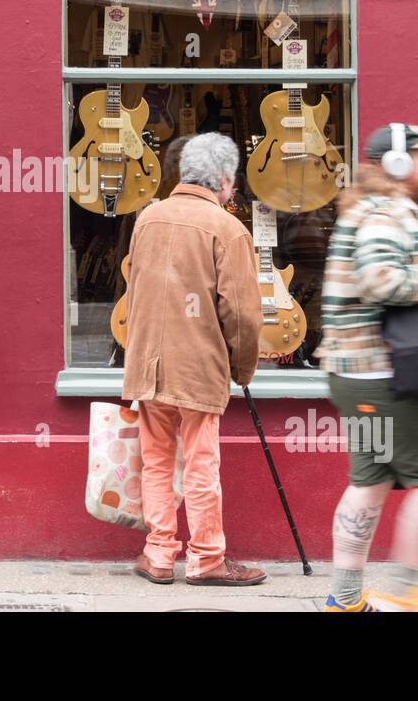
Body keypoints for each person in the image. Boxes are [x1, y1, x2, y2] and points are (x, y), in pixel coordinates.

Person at [314, 123, 418, 612]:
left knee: (371, 481)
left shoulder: (363, 208)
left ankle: (345, 600)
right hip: (386, 376)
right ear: (397, 164)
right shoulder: (387, 211)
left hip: (356, 378)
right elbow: (379, 280)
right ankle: (410, 594)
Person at [121, 133, 266, 586]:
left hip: (148, 362)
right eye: (234, 181)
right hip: (198, 365)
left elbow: (134, 288)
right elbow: (241, 313)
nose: (233, 188)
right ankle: (206, 559)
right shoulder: (228, 228)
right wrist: (242, 368)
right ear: (224, 179)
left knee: (157, 460)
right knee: (202, 464)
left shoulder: (148, 217)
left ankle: (160, 554)